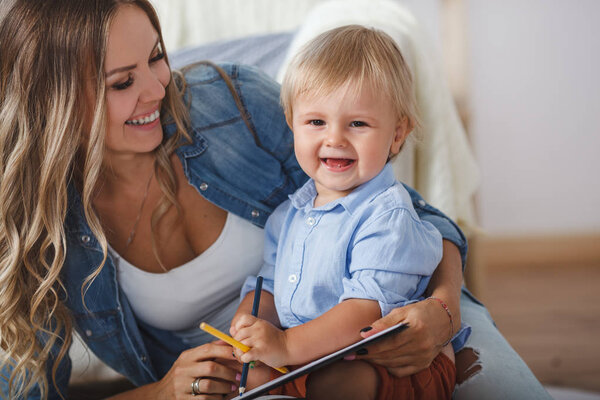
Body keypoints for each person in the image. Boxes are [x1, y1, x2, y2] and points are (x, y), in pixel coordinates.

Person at [0, 0, 542, 399]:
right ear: (58, 103)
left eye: (157, 57)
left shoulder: (230, 104)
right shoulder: (40, 225)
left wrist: (442, 311)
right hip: (255, 375)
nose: (158, 88)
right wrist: (164, 392)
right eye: (123, 82)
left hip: (404, 314)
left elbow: (417, 217)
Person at [230, 25, 465, 400]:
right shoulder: (288, 216)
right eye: (316, 122)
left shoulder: (387, 216)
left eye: (357, 123)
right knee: (246, 382)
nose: (335, 138)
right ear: (292, 123)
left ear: (397, 133)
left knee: (335, 387)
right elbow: (270, 287)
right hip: (309, 359)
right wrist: (250, 323)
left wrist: (287, 345)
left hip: (387, 364)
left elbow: (364, 311)